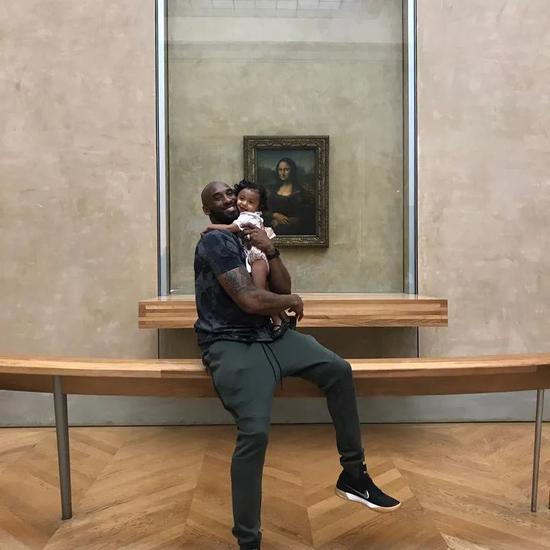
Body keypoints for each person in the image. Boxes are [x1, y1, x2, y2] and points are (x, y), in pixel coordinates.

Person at [195, 181, 401, 550]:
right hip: (230, 343)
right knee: (255, 433)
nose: (227, 199)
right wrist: (291, 301)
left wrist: (271, 249)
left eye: (229, 193)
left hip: (270, 335)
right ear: (207, 209)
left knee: (338, 371)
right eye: (217, 197)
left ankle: (354, 476)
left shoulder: (251, 233)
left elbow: (281, 284)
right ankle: (248, 541)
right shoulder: (216, 241)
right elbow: (250, 299)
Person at [203, 179, 283, 330]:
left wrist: (210, 227)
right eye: (242, 198)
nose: (243, 203)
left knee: (259, 292)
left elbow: (230, 228)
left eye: (250, 202)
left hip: (257, 257)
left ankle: (276, 320)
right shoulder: (218, 239)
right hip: (235, 330)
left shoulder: (247, 217)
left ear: (258, 206)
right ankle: (277, 318)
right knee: (263, 289)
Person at [266, 157, 315, 235]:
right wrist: (274, 215)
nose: (282, 173)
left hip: (291, 232)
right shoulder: (272, 189)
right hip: (270, 231)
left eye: (286, 170)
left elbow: (304, 218)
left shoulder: (300, 192)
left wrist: (280, 222)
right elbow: (263, 210)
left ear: (292, 171)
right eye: (280, 170)